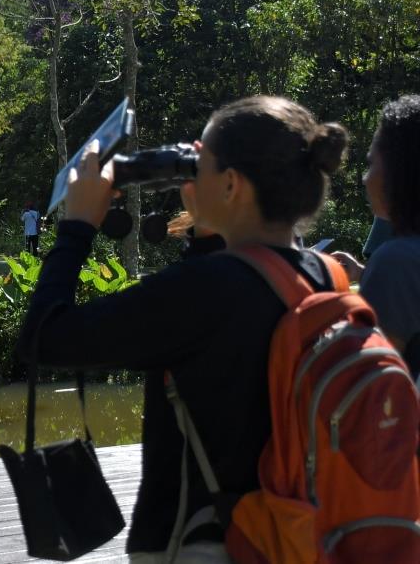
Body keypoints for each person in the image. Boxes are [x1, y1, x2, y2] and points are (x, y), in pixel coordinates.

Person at [22, 96, 348, 562]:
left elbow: (44, 337)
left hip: (201, 543)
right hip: (295, 532)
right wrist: (210, 225)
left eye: (203, 163)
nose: (194, 173)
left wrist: (77, 227)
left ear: (232, 183)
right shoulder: (324, 276)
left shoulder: (205, 291)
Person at [332, 95, 420, 378]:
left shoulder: (396, 261)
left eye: (371, 163)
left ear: (399, 170)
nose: (365, 178)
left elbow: (369, 382)